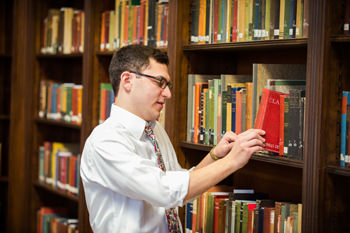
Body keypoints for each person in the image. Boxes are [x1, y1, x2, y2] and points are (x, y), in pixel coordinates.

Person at [80, 44, 266, 233]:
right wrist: (233, 161)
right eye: (159, 82)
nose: (168, 93)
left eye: (167, 85)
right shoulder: (104, 141)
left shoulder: (154, 129)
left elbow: (181, 189)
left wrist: (216, 157)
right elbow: (165, 191)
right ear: (127, 80)